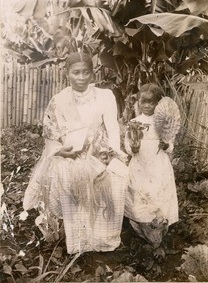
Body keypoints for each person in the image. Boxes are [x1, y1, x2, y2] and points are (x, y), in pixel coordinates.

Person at [23, 52, 128, 255]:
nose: (81, 77)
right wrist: (59, 151)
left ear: (92, 73)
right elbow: (50, 133)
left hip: (98, 152)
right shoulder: (59, 100)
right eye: (76, 72)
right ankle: (77, 240)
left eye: (85, 72)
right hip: (69, 153)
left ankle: (100, 238)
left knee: (112, 180)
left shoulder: (104, 96)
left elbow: (113, 128)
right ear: (67, 74)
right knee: (68, 181)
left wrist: (113, 153)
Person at [124, 83, 180, 249]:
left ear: (158, 103)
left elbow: (170, 144)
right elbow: (128, 146)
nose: (147, 105)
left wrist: (166, 145)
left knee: (157, 193)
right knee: (138, 193)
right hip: (140, 164)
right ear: (138, 102)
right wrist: (133, 147)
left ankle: (158, 228)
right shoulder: (134, 122)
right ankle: (141, 227)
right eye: (143, 102)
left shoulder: (162, 122)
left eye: (152, 102)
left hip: (158, 164)